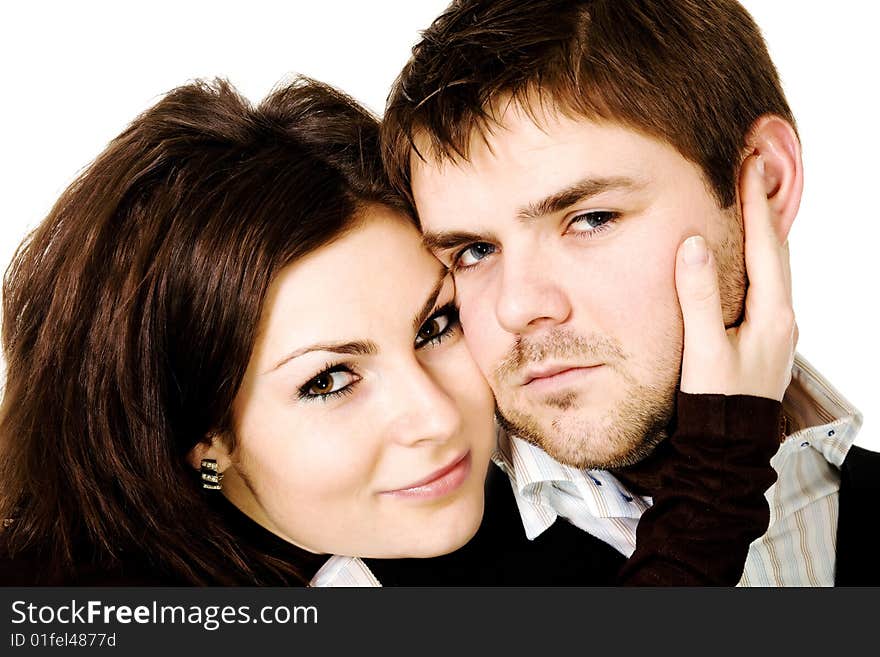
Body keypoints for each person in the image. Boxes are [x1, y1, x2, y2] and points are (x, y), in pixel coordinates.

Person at [0, 76, 784, 587]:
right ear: (202, 437)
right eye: (329, 380)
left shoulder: (500, 538)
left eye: (435, 325)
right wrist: (715, 485)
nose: (439, 418)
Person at [380, 0, 878, 585]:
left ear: (766, 183)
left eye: (590, 219)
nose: (517, 306)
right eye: (474, 252)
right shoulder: (368, 569)